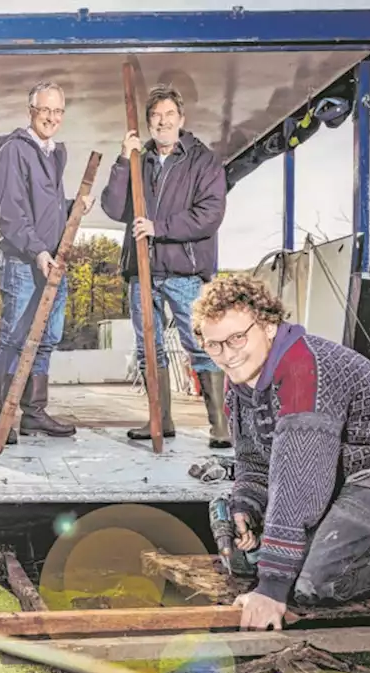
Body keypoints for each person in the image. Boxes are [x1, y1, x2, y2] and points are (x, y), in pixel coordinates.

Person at [191, 275, 370, 631]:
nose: (227, 354)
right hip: (334, 475)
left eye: (237, 338)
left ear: (269, 325)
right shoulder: (240, 379)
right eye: (214, 345)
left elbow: (300, 483)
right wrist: (247, 504)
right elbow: (255, 460)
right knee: (250, 562)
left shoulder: (304, 368)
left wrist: (272, 590)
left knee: (313, 585)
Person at [99, 84, 230, 447]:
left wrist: (160, 229)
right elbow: (112, 207)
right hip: (141, 272)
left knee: (201, 346)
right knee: (148, 348)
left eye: (169, 115)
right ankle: (160, 420)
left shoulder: (203, 160)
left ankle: (220, 425)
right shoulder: (138, 161)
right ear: (148, 123)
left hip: (185, 272)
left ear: (181, 119)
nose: (163, 122)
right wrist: (124, 159)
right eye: (156, 116)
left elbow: (210, 215)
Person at [0, 81, 94, 444]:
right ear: (30, 110)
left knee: (47, 338)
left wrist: (72, 209)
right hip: (25, 261)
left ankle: (33, 414)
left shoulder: (53, 153)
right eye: (44, 109)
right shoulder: (14, 151)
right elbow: (12, 215)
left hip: (54, 260)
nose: (50, 117)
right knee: (14, 338)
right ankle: (0, 417)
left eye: (57, 111)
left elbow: (44, 210)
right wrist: (37, 251)